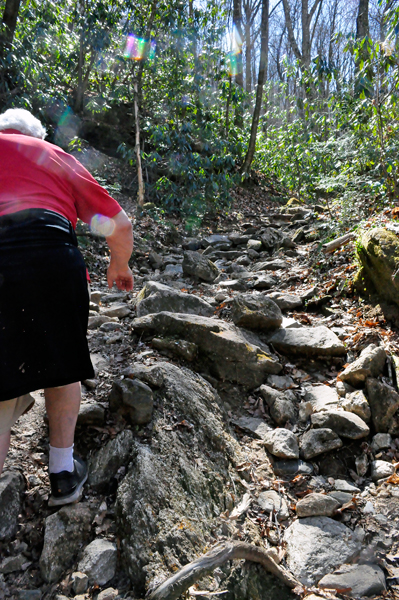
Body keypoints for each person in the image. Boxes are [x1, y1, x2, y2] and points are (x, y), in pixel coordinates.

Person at [0, 108, 134, 506]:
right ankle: (61, 473)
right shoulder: (51, 155)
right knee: (61, 366)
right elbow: (118, 224)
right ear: (37, 136)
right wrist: (119, 264)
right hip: (51, 256)